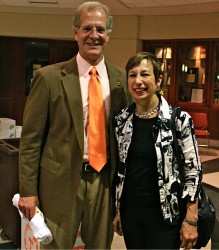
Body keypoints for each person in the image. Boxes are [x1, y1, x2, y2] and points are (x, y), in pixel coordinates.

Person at [18, 1, 129, 249]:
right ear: (75, 32)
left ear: (108, 35)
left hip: (104, 181)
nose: (94, 36)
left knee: (100, 246)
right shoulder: (48, 78)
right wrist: (27, 190)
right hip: (58, 182)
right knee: (55, 246)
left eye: (100, 29)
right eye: (87, 28)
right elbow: (31, 140)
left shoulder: (121, 80)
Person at [112, 52, 202, 249]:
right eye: (132, 75)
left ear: (159, 79)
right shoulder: (122, 121)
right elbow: (123, 170)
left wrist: (191, 219)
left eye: (145, 74)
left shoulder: (178, 120)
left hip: (166, 215)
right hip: (132, 214)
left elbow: (193, 170)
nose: (138, 81)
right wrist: (119, 209)